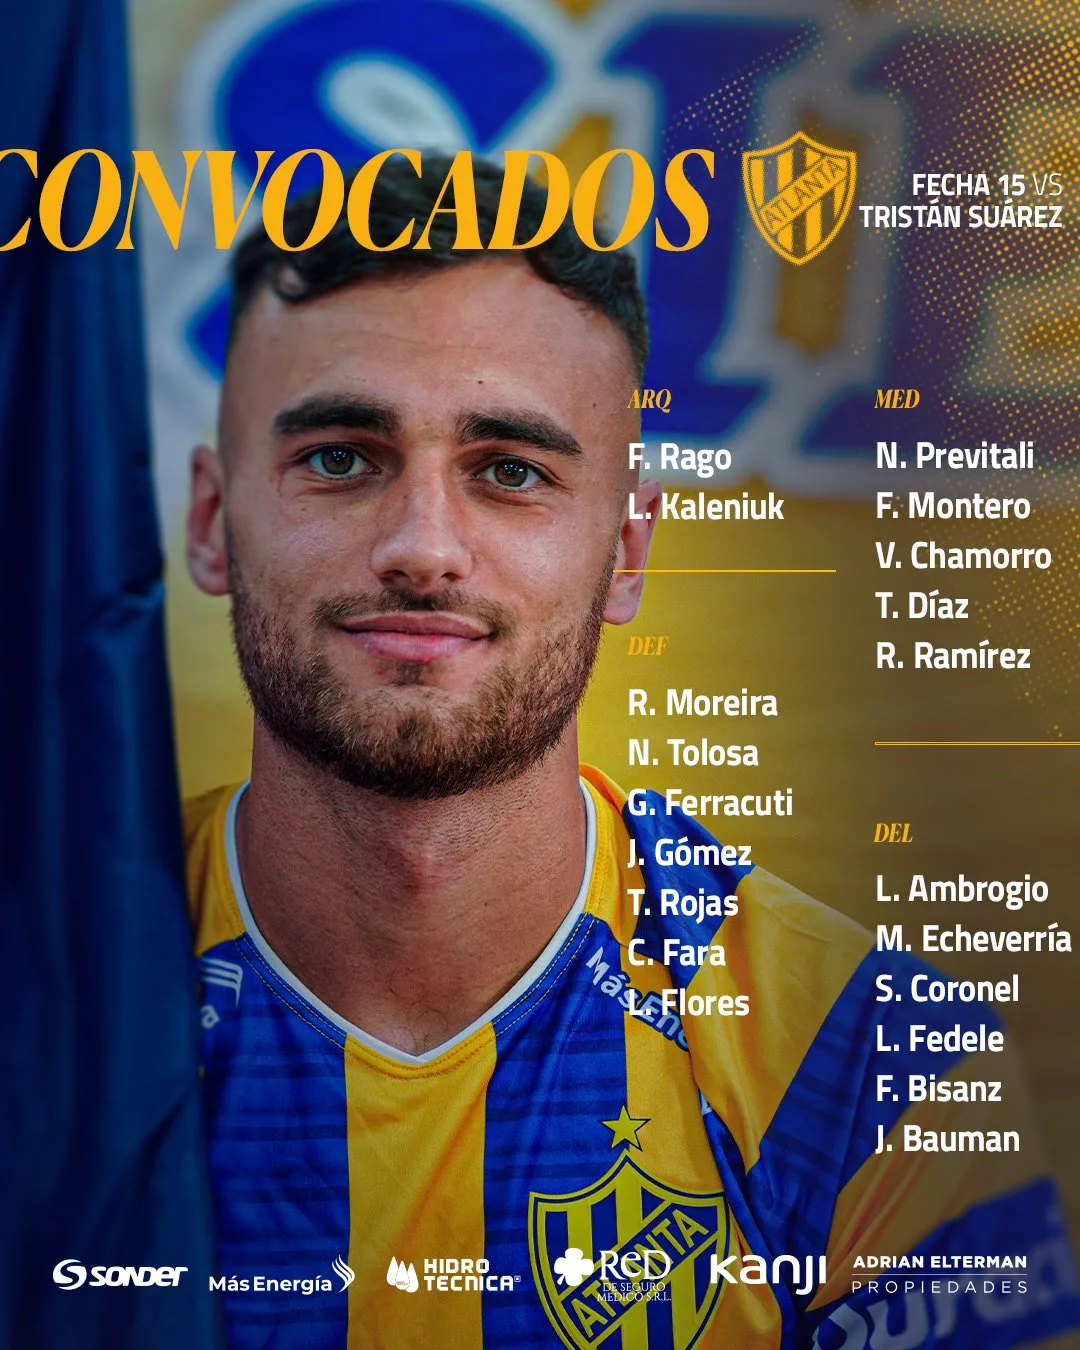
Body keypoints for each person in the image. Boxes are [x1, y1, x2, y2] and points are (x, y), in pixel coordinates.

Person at [184, 153, 1079, 1350]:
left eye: (512, 471)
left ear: (627, 551)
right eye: (339, 457)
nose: (424, 547)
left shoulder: (877, 1066)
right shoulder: (46, 995)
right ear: (212, 522)